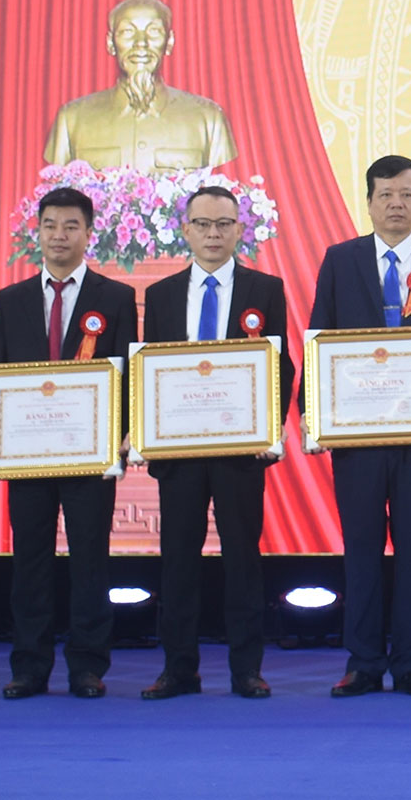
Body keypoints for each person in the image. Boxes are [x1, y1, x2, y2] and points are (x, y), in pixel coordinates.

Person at [307, 155, 411, 698]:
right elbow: (319, 339)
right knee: (360, 549)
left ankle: (410, 663)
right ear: (369, 202)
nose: (396, 204)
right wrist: (318, 416)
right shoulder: (340, 261)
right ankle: (362, 662)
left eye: (406, 194)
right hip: (357, 439)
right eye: (386, 195)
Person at [138, 185, 293, 702]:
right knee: (177, 560)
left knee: (243, 559)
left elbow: (280, 367)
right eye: (202, 224)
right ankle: (178, 669)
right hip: (180, 452)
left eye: (223, 224)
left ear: (240, 231)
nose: (213, 234)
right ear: (185, 230)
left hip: (240, 451)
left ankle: (246, 670)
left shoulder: (265, 289)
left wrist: (270, 429)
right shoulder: (160, 294)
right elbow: (150, 369)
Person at [0, 186, 137, 700]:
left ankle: (87, 666)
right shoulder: (10, 301)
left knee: (91, 559)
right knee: (29, 559)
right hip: (28, 454)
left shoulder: (115, 298)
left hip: (91, 453)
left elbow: (127, 375)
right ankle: (29, 666)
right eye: (50, 225)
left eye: (71, 226)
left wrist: (124, 434)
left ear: (89, 234)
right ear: (38, 232)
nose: (59, 235)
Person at [42, 0, 236, 171]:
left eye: (154, 31)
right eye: (127, 31)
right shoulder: (72, 119)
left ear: (169, 42)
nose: (141, 43)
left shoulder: (208, 119)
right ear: (110, 43)